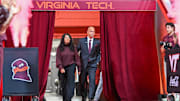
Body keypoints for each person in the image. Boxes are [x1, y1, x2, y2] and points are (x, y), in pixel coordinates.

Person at [77, 26, 100, 101]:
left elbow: (99, 53)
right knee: (82, 81)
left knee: (92, 81)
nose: (92, 33)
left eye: (93, 31)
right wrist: (78, 62)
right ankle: (83, 96)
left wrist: (97, 61)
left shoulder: (97, 42)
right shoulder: (81, 41)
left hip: (92, 65)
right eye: (90, 31)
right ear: (87, 32)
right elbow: (76, 52)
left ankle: (90, 97)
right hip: (83, 64)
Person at [56, 33, 81, 101]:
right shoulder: (59, 48)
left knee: (70, 86)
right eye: (66, 38)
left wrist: (79, 69)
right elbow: (58, 58)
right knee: (64, 86)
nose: (67, 39)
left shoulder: (73, 48)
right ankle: (66, 99)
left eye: (69, 38)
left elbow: (77, 59)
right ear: (63, 39)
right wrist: (61, 67)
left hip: (71, 67)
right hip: (62, 68)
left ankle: (68, 98)